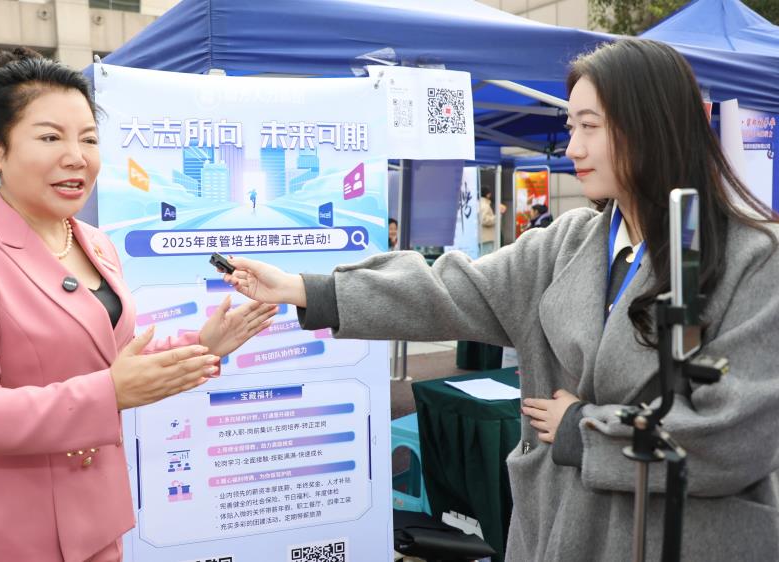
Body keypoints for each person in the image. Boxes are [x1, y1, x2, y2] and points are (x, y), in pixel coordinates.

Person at [224, 39, 779, 561]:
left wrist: (581, 429)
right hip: (557, 528)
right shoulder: (567, 243)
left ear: (651, 127)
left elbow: (733, 439)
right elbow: (447, 289)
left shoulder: (750, 258)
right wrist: (305, 288)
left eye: (590, 126)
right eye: (571, 126)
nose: (573, 148)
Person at [0, 47, 277, 561]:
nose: (76, 157)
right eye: (50, 137)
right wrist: (108, 394)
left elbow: (111, 357)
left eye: (88, 138)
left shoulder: (96, 243)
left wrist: (203, 345)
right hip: (14, 525)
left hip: (99, 512)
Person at [479, 186, 506, 255]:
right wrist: (498, 215)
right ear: (488, 194)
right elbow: (484, 220)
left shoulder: (479, 204)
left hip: (482, 238)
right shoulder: (485, 205)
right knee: (487, 258)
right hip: (486, 238)